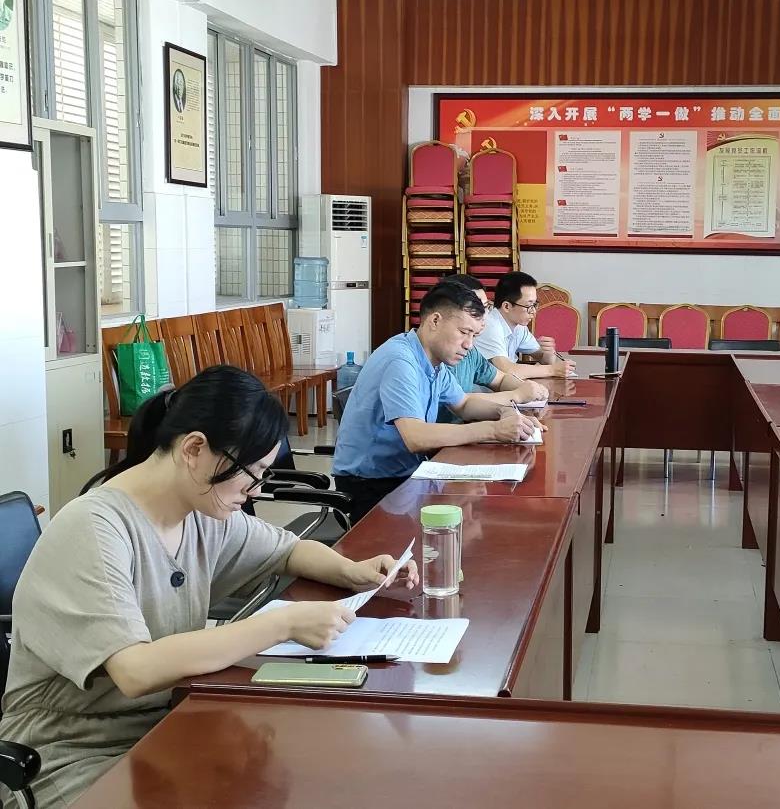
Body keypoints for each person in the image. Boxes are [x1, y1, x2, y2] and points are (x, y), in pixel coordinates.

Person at [0, 365, 419, 808]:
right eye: (251, 472)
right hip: (69, 755)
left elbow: (287, 550)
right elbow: (135, 670)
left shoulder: (199, 510)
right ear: (194, 448)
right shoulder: (95, 530)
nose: (255, 491)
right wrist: (282, 624)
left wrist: (352, 571)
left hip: (167, 725)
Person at [332, 283, 543, 520]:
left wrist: (506, 412)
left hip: (406, 475)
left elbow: (463, 404)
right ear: (435, 321)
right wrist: (494, 430)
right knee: (471, 519)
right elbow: (416, 437)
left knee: (479, 506)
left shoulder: (433, 362)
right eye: (463, 332)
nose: (469, 345)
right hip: (371, 486)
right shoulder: (400, 361)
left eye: (474, 335)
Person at [434, 274, 549, 422]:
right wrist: (517, 395)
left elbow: (500, 379)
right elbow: (461, 402)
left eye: (486, 307)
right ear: (437, 320)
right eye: (477, 309)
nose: (485, 316)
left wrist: (528, 388)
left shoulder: (470, 352)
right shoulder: (421, 357)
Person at [473, 271, 576, 379]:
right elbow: (506, 370)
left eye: (535, 305)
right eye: (528, 306)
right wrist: (553, 370)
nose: (533, 312)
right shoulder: (490, 326)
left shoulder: (519, 326)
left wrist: (548, 352)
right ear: (507, 306)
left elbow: (542, 358)